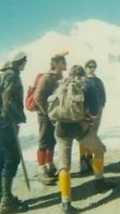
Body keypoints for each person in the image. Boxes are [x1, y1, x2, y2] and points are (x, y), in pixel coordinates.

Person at [55, 65, 111, 214]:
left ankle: (66, 203)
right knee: (99, 149)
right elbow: (94, 109)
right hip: (80, 127)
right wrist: (89, 121)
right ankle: (99, 181)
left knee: (64, 165)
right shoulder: (88, 84)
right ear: (83, 73)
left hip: (61, 128)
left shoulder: (61, 84)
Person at [0, 51, 28, 214]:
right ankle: (6, 202)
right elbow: (8, 99)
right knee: (12, 158)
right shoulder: (12, 75)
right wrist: (16, 117)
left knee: (0, 155)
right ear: (20, 62)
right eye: (24, 61)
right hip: (8, 123)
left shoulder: (2, 75)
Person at [33, 53, 67, 184]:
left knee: (52, 139)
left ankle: (50, 165)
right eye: (63, 62)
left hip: (53, 114)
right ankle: (42, 169)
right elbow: (38, 96)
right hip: (45, 115)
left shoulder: (58, 77)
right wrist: (47, 112)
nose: (65, 65)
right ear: (57, 64)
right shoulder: (47, 78)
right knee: (44, 140)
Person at [78, 59, 106, 175]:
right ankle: (82, 159)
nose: (92, 68)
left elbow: (103, 94)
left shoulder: (98, 81)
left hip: (97, 110)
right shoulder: (82, 80)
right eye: (90, 66)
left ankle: (90, 158)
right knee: (84, 135)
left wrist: (102, 105)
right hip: (85, 112)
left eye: (94, 66)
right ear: (86, 67)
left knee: (93, 134)